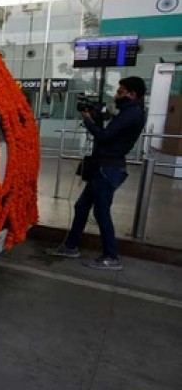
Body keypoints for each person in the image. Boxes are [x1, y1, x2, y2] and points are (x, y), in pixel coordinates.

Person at [46, 76, 147, 270]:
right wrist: (96, 118)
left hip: (109, 169)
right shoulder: (128, 112)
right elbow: (105, 136)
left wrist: (88, 121)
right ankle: (70, 246)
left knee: (101, 212)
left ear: (132, 94)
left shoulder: (132, 113)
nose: (117, 95)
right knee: (81, 206)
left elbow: (104, 136)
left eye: (120, 91)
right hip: (103, 166)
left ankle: (112, 256)